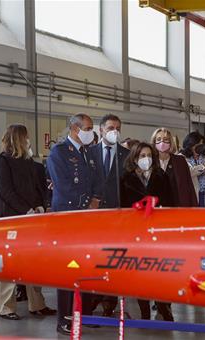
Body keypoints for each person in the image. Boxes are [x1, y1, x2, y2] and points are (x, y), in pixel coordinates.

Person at [0, 124, 56, 321]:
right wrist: (26, 209)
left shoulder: (30, 162)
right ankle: (6, 307)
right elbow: (6, 192)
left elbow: (39, 188)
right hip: (10, 220)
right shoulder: (2, 162)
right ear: (19, 138)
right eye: (26, 137)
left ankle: (37, 304)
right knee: (9, 265)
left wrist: (40, 206)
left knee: (34, 264)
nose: (29, 140)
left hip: (31, 219)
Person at [46, 113, 99, 334]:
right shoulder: (59, 153)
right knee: (67, 269)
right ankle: (65, 319)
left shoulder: (87, 152)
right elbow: (63, 186)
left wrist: (96, 200)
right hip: (68, 216)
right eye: (87, 128)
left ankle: (84, 313)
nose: (91, 133)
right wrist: (87, 203)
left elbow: (95, 180)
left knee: (86, 265)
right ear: (75, 129)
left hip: (87, 218)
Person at [120, 142, 174, 321]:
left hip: (158, 230)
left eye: (149, 155)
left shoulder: (161, 176)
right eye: (142, 156)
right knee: (140, 273)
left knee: (161, 272)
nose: (146, 159)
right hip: (136, 232)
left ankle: (164, 306)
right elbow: (122, 206)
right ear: (135, 158)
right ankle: (144, 310)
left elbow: (171, 201)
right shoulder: (126, 178)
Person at [86, 114, 129, 317]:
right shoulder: (88, 152)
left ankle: (109, 301)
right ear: (101, 129)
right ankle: (93, 297)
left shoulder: (126, 155)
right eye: (111, 127)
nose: (115, 131)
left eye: (118, 128)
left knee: (113, 259)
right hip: (93, 214)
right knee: (94, 258)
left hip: (117, 215)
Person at [151, 128, 197, 207]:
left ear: (170, 142)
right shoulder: (151, 161)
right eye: (158, 139)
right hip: (156, 208)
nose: (162, 142)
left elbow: (189, 185)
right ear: (154, 142)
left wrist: (194, 207)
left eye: (166, 139)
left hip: (178, 206)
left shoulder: (180, 161)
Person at [180, 131, 205, 207]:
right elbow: (187, 172)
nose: (199, 148)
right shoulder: (181, 158)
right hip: (191, 195)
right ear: (190, 145)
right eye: (197, 145)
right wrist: (203, 167)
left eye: (201, 145)